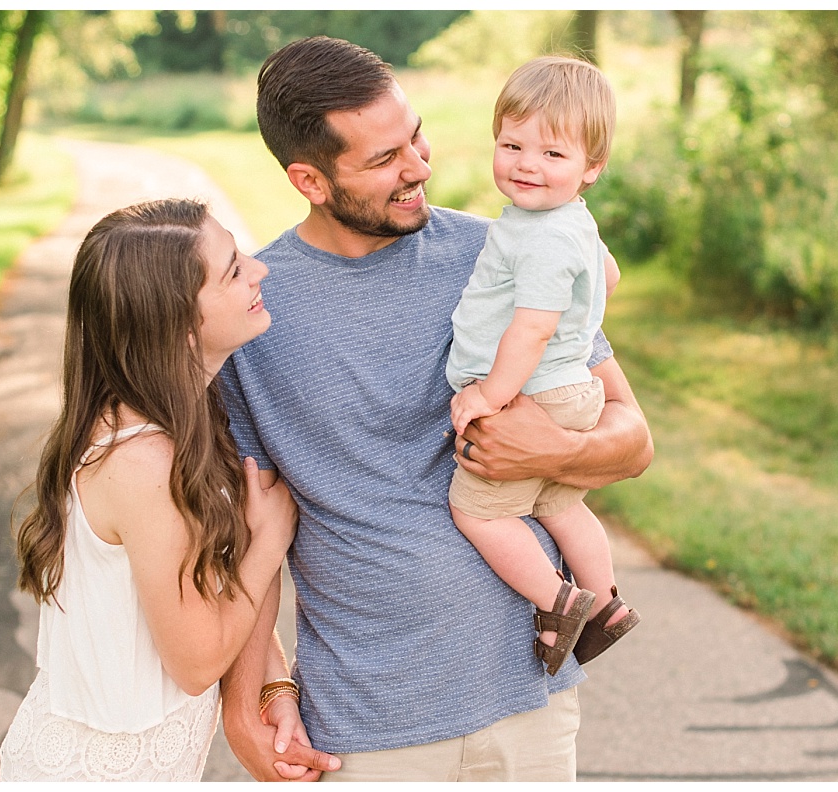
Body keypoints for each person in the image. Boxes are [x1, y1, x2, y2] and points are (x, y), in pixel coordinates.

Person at [217, 36, 653, 782]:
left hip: (530, 699)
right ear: (309, 179)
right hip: (370, 720)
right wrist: (259, 690)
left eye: (414, 136)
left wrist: (551, 455)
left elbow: (631, 436)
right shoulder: (256, 315)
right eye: (384, 159)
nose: (419, 165)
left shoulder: (505, 251)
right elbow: (248, 529)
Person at [0, 198, 308, 781]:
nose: (259, 270)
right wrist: (269, 539)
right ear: (182, 328)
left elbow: (210, 590)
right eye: (233, 270)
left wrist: (273, 684)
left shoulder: (178, 417)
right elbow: (195, 664)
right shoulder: (143, 462)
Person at [446, 56, 640, 677]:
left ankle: (558, 603)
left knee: (476, 509)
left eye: (552, 155)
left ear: (592, 168)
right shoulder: (570, 222)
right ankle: (607, 604)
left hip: (534, 392)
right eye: (512, 145)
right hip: (571, 387)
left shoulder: (541, 237)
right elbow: (607, 275)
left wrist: (488, 396)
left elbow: (532, 327)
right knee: (559, 505)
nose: (527, 164)